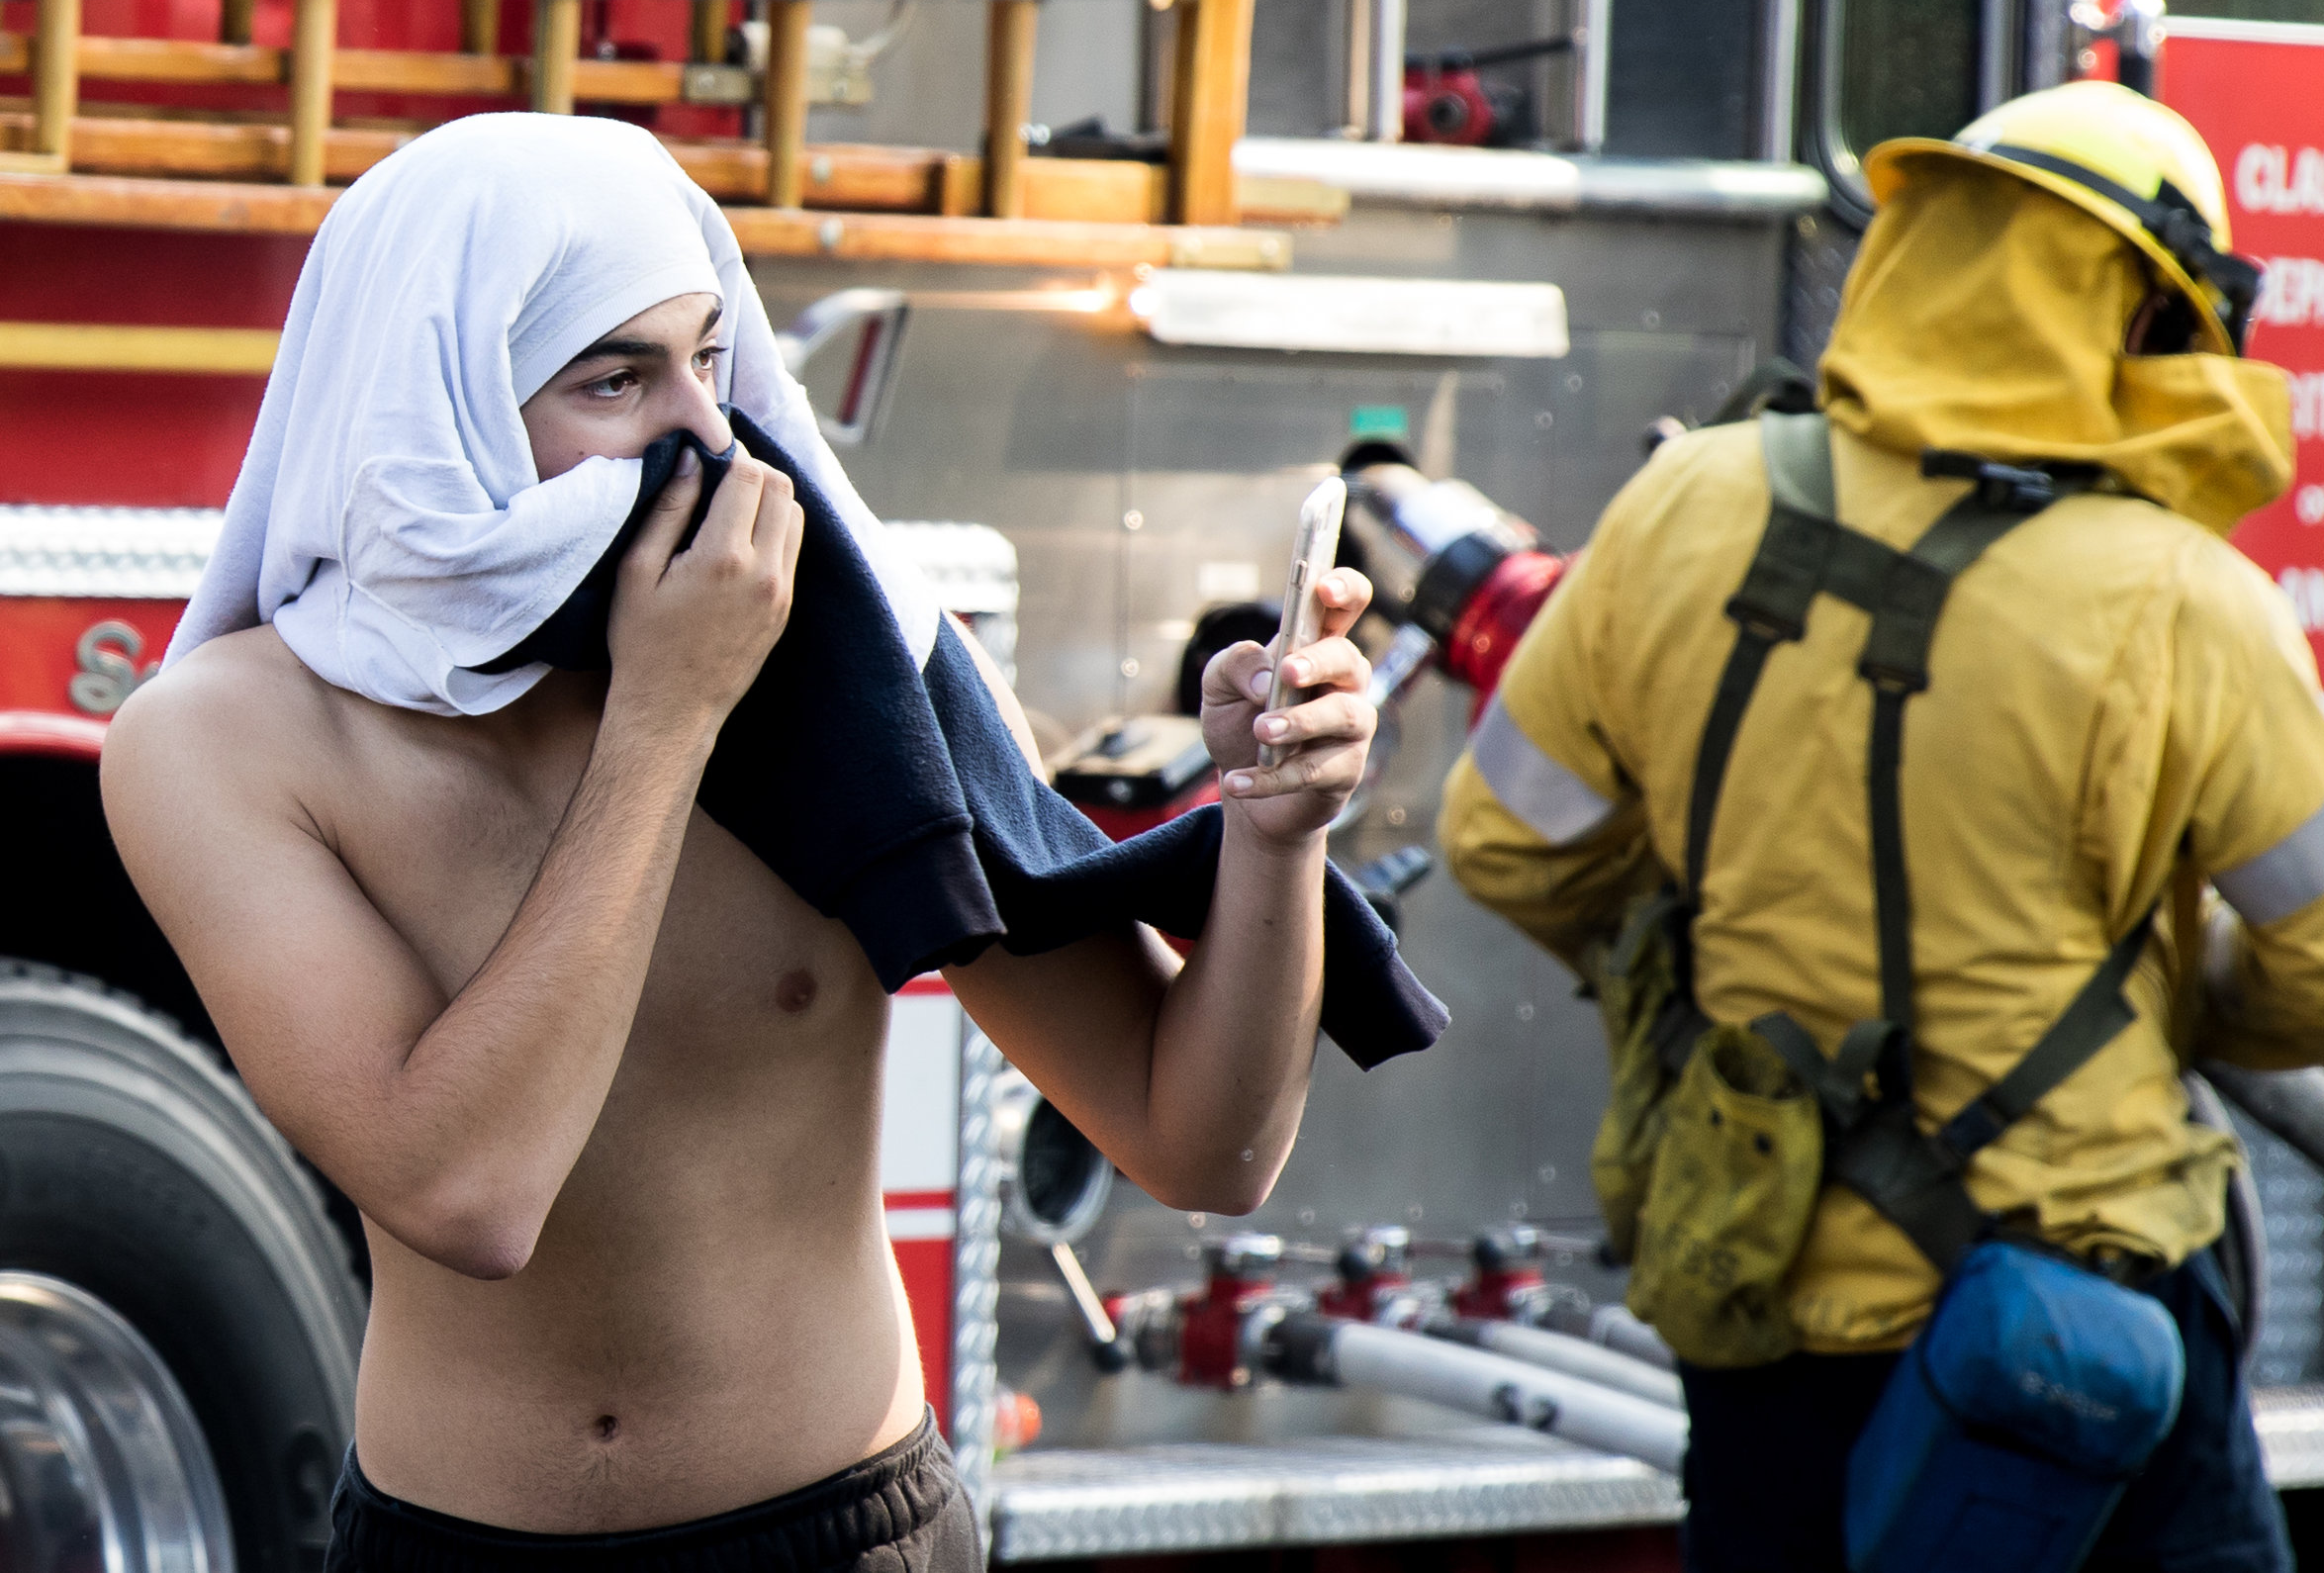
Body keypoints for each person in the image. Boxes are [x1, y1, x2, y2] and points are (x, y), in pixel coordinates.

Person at [101, 114, 1398, 1571]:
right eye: (614, 378)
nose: (704, 439)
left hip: (839, 1535)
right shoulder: (225, 739)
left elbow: (1200, 1141)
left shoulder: (847, 662)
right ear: (440, 404)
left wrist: (1274, 839)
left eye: (710, 359)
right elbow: (469, 1188)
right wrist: (665, 716)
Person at [1438, 81, 2324, 1572]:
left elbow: (1507, 839)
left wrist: (1710, 944)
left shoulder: (1688, 505)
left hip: (1759, 1291)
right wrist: (2184, 1000)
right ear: (2153, 318)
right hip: (2078, 1327)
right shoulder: (2179, 595)